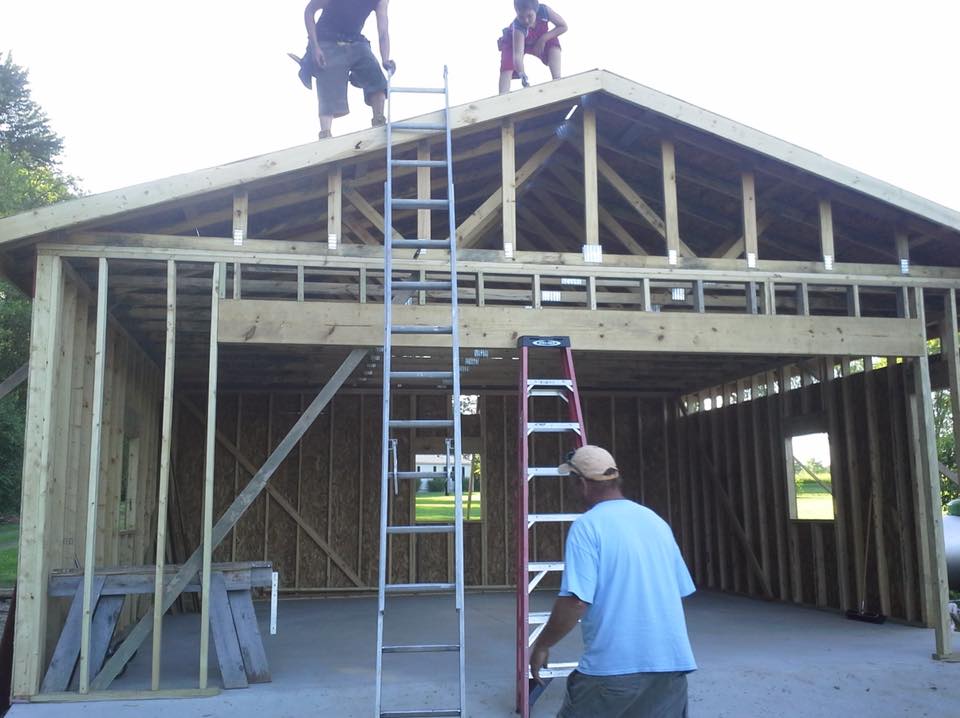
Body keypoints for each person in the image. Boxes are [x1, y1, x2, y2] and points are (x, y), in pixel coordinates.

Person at [529, 445, 697, 717]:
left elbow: (575, 602)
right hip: (671, 667)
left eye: (572, 482)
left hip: (612, 671)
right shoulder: (655, 522)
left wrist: (543, 645)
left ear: (581, 483)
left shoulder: (588, 526)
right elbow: (676, 590)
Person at [289, 0, 395, 139]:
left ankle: (379, 122)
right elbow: (309, 10)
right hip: (326, 39)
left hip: (355, 40)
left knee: (377, 79)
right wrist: (315, 47)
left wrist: (385, 59)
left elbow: (383, 31)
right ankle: (325, 134)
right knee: (328, 83)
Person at [498, 0, 568, 94]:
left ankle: (557, 79)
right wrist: (523, 75)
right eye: (521, 17)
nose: (525, 20)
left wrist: (543, 39)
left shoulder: (544, 11)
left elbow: (563, 26)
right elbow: (517, 56)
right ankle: (503, 95)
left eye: (529, 16)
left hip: (537, 38)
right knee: (508, 63)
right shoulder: (518, 27)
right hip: (513, 43)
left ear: (536, 9)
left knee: (552, 40)